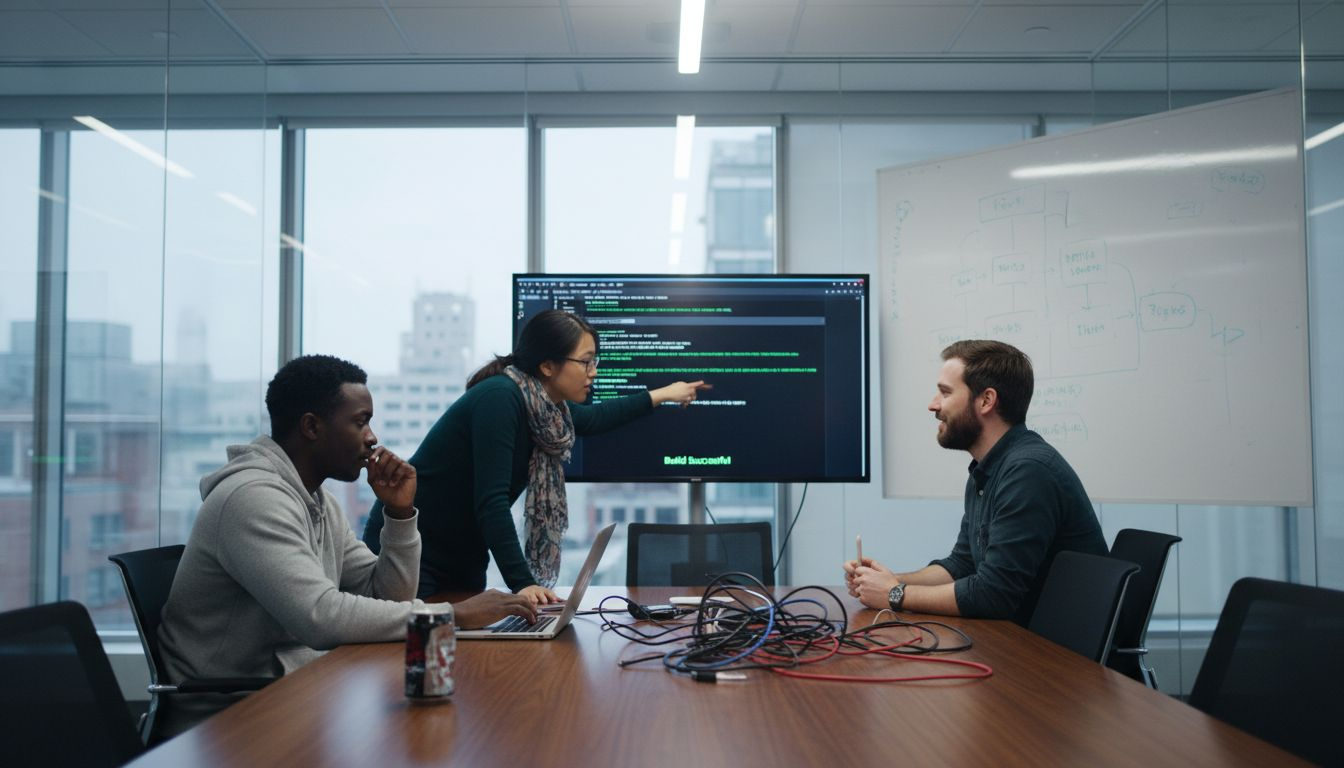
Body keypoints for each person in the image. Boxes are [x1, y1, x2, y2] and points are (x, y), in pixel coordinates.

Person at [157, 355, 534, 737]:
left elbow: (387, 596)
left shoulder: (318, 501)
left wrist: (400, 513)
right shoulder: (251, 500)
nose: (372, 437)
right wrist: (454, 615)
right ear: (311, 427)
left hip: (294, 695)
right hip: (228, 721)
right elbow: (319, 617)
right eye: (360, 421)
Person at [363, 309, 710, 603]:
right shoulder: (500, 399)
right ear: (547, 366)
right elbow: (492, 502)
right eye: (586, 362)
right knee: (410, 664)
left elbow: (595, 419)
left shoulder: (543, 410)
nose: (594, 372)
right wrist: (523, 584)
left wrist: (665, 393)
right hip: (415, 553)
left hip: (464, 554)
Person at [844, 340, 1106, 625]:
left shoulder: (1028, 472)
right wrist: (885, 582)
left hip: (1059, 660)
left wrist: (895, 594)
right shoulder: (988, 469)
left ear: (986, 400)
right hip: (1023, 643)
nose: (933, 405)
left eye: (945, 392)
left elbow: (994, 595)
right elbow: (962, 565)